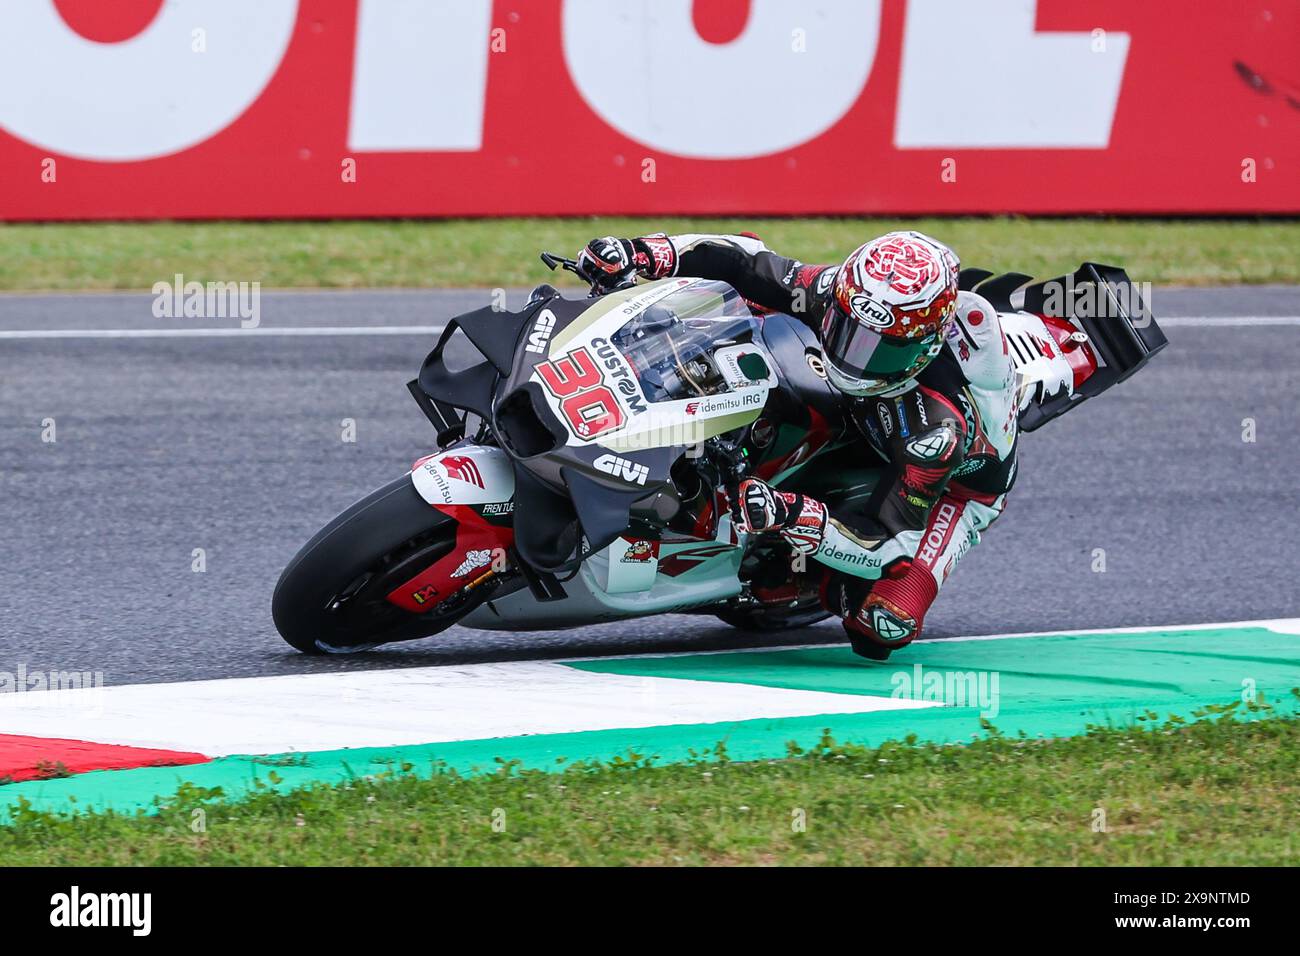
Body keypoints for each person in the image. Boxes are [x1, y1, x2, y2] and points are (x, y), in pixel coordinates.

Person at [576, 231, 1018, 661]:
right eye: (847, 331)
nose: (854, 357)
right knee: (745, 305)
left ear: (925, 347)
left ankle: (805, 582)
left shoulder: (938, 432)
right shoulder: (841, 294)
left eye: (877, 350)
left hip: (949, 488)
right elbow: (745, 259)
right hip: (863, 411)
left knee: (884, 622)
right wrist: (645, 253)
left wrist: (790, 514)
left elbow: (888, 542)